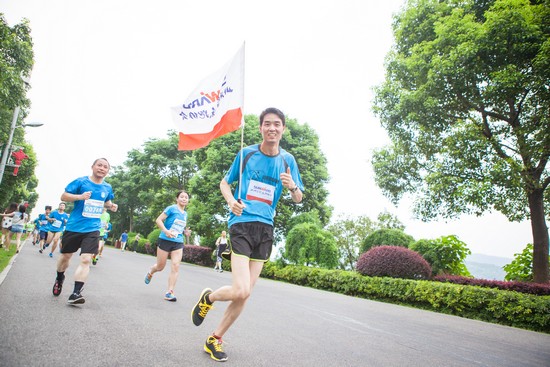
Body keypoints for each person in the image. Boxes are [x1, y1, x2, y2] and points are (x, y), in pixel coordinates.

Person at [190, 107, 304, 361]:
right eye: (267, 124)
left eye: (277, 124)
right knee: (241, 290)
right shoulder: (247, 153)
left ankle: (214, 338)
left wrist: (292, 186)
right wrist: (231, 201)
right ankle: (209, 297)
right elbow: (224, 182)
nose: (272, 128)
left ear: (283, 129)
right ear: (260, 128)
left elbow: (298, 198)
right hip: (241, 223)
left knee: (246, 293)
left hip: (266, 228)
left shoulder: (288, 161)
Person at [51, 158, 118, 305]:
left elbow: (106, 202)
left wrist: (112, 206)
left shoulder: (107, 187)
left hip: (93, 229)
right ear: (92, 167)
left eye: (105, 167)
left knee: (86, 259)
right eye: (99, 165)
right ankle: (59, 277)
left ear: (107, 171)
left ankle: (76, 293)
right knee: (65, 257)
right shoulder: (81, 182)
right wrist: (79, 197)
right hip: (74, 227)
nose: (102, 168)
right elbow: (64, 196)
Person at [144, 190, 189, 302]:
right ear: (177, 199)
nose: (184, 199)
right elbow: (158, 220)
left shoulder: (185, 214)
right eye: (182, 197)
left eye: (186, 197)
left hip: (178, 241)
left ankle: (170, 292)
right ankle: (151, 271)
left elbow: (179, 227)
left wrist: (185, 232)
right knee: (160, 266)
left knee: (175, 265)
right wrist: (166, 231)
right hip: (165, 239)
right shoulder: (171, 208)